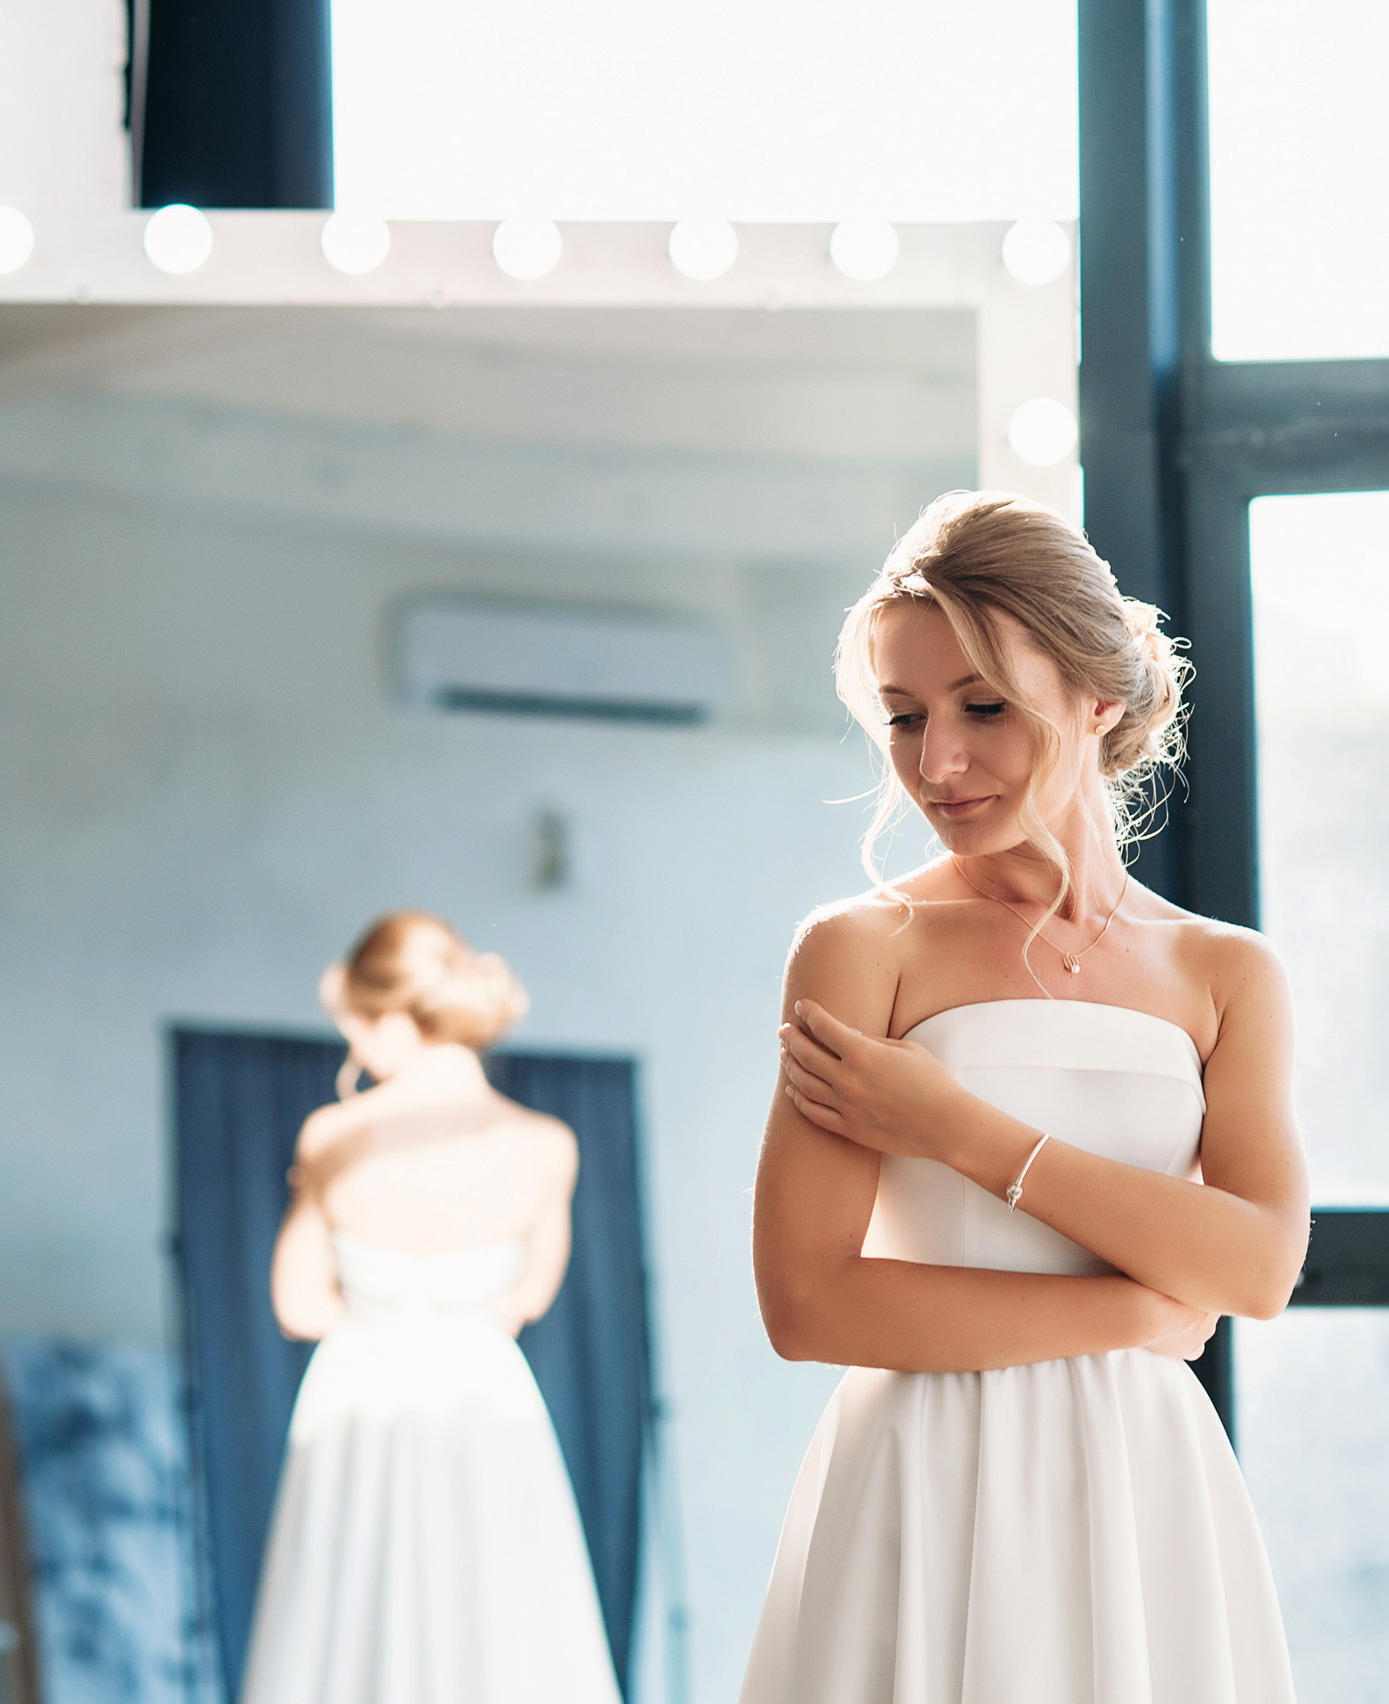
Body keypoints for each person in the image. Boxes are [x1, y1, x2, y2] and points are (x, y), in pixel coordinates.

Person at [742, 491, 1309, 1703]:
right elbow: (807, 1303)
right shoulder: (859, 947)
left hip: (1141, 1487)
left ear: (1097, 699)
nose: (935, 762)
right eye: (903, 717)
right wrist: (1134, 1311)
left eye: (983, 707)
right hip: (923, 1477)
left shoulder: (1226, 973)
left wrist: (959, 1130)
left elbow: (1257, 1268)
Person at [241, 912, 620, 1704]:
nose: (355, 1052)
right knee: (501, 1617)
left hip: (360, 1394)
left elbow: (298, 1303)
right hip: (483, 1398)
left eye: (355, 1029)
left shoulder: (333, 1136)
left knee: (345, 1622)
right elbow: (528, 1295)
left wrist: (378, 1317)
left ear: (388, 1019)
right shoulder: (547, 1145)